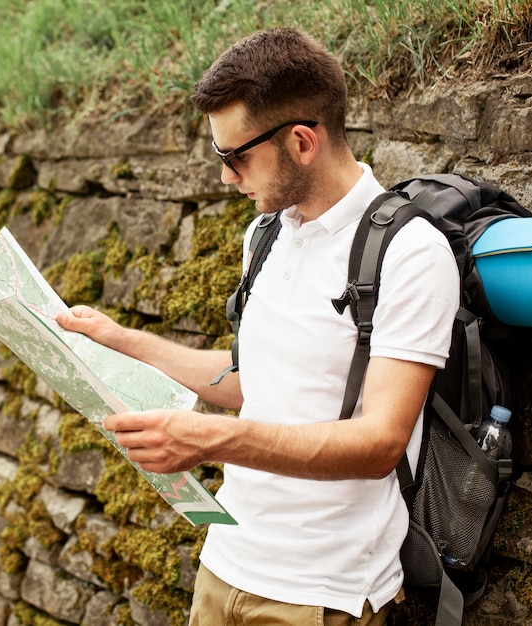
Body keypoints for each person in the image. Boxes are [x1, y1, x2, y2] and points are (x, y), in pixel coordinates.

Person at [57, 27, 459, 626]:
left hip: (323, 592)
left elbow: (380, 444)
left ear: (302, 141)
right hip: (225, 563)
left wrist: (210, 438)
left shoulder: (409, 252)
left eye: (235, 157)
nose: (225, 177)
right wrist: (124, 339)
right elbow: (255, 383)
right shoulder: (265, 234)